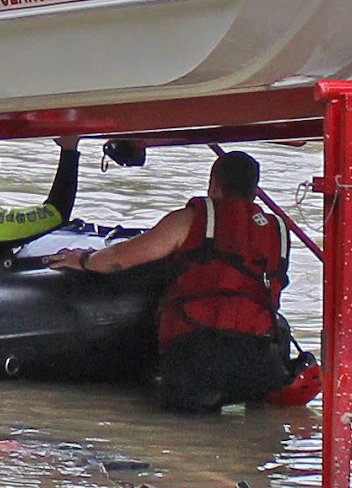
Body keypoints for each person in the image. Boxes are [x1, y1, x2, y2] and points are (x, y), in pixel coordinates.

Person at [49, 150, 293, 413]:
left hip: (198, 360)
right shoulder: (278, 230)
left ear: (214, 184)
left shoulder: (190, 220)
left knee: (181, 420)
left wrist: (83, 260)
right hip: (261, 362)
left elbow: (120, 257)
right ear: (254, 191)